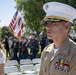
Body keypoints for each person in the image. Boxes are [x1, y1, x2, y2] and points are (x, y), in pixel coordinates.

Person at [39, 2, 76, 75]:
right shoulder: (46, 50)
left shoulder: (74, 53)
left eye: (53, 23)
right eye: (47, 23)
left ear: (67, 26)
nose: (47, 27)